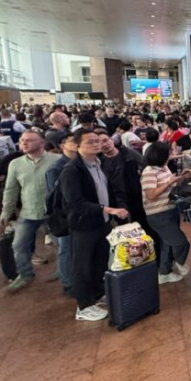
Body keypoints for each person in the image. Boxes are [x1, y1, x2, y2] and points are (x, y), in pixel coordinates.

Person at [59, 129, 129, 322]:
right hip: (84, 224)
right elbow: (75, 202)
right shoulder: (72, 170)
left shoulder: (100, 164)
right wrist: (107, 209)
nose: (96, 144)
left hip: (102, 222)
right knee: (82, 265)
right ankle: (83, 305)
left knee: (100, 260)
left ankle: (98, 294)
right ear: (77, 145)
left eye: (98, 141)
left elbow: (108, 190)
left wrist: (117, 208)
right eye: (90, 142)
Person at [0, 129, 60, 291]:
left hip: (53, 211)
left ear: (41, 143)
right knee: (19, 245)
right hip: (29, 211)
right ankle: (25, 274)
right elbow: (11, 189)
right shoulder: (16, 164)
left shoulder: (57, 160)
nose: (24, 143)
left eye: (29, 140)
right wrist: (6, 211)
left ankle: (62, 269)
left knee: (60, 243)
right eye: (22, 140)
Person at [142, 142, 191, 285]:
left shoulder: (163, 168)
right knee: (180, 242)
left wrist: (182, 177)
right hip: (158, 214)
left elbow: (170, 185)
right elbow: (151, 195)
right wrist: (169, 183)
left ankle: (164, 272)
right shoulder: (149, 171)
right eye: (168, 153)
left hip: (170, 209)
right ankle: (178, 263)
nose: (171, 156)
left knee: (167, 243)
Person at [45, 132, 78, 297]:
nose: (76, 144)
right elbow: (56, 197)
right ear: (62, 146)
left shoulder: (81, 163)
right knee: (66, 249)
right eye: (72, 141)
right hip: (65, 216)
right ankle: (68, 283)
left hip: (79, 214)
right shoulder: (56, 168)